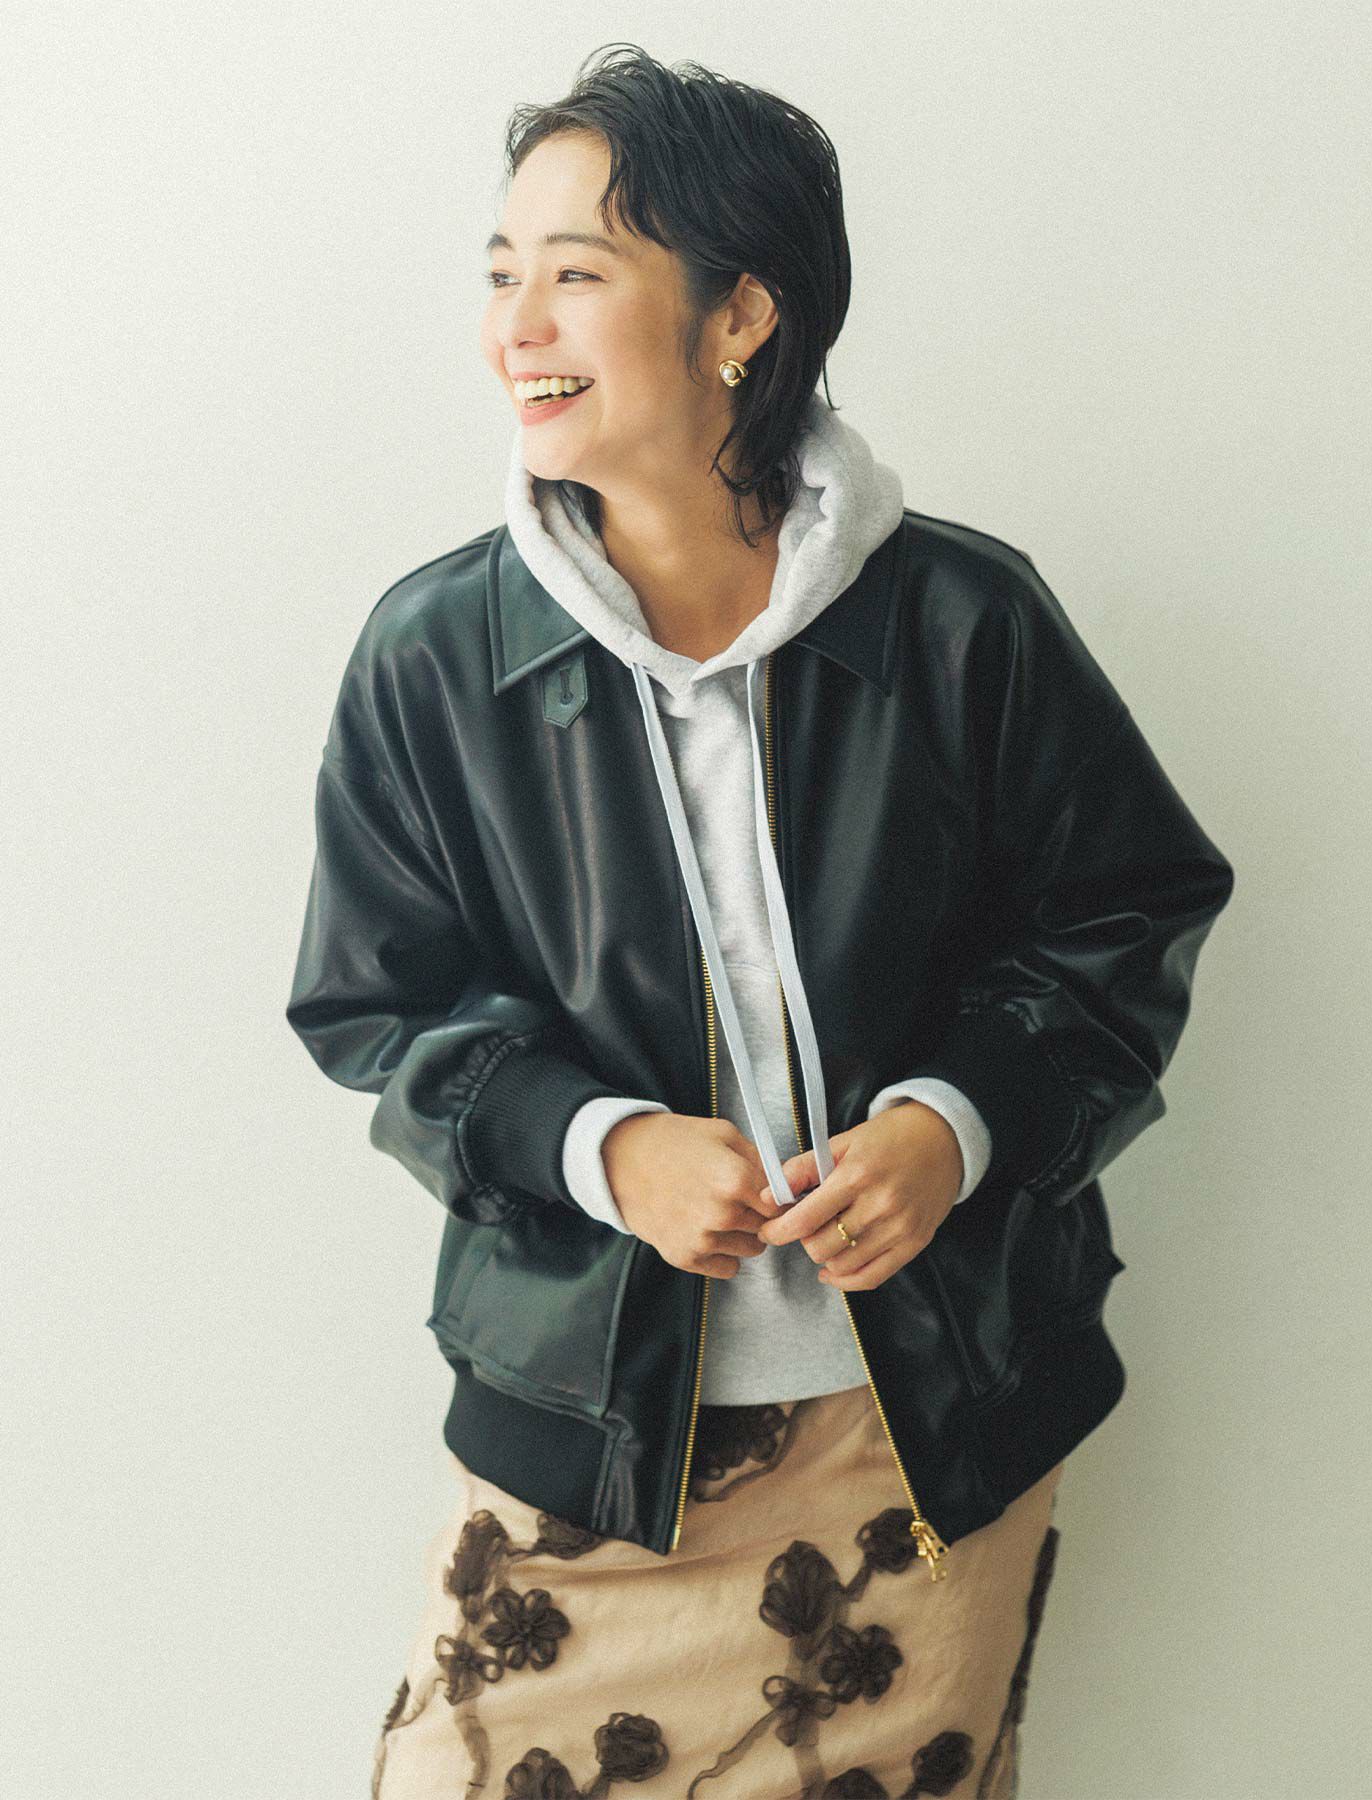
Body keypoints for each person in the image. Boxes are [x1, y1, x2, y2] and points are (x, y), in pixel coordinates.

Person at [285, 43, 1235, 1800]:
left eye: (577, 274)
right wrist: (602, 1145)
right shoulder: (437, 658)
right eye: (500, 273)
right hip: (584, 1440)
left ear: (740, 316)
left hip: (924, 1434)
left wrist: (954, 1126)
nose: (514, 329)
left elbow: (1128, 914)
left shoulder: (962, 624)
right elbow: (373, 1007)